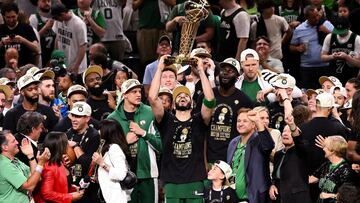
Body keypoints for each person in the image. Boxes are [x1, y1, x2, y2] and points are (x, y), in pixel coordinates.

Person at [148, 55, 215, 202]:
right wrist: (160, 68)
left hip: (195, 181)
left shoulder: (199, 120)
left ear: (192, 103)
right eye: (178, 96)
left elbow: (210, 100)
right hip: (172, 182)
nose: (183, 97)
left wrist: (201, 71)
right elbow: (153, 98)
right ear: (172, 104)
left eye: (186, 95)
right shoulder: (166, 120)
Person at [108, 79, 161, 203]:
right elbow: (106, 151)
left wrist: (143, 133)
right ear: (124, 94)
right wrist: (124, 142)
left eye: (139, 91)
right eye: (133, 92)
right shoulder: (112, 119)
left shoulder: (150, 113)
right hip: (123, 176)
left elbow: (161, 145)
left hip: (147, 174)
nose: (138, 94)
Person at [196, 56, 253, 163]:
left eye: (230, 71)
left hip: (232, 157)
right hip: (207, 157)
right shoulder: (207, 95)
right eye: (223, 70)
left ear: (237, 76)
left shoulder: (245, 101)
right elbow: (198, 128)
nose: (225, 73)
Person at [227, 108, 274, 202]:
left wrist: (258, 121)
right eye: (239, 121)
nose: (240, 124)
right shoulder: (233, 142)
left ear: (253, 124)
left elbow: (268, 146)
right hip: (234, 198)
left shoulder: (259, 140)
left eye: (245, 121)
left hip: (254, 198)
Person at [269, 114, 312, 203]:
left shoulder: (301, 151)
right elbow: (275, 176)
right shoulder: (278, 154)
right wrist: (272, 185)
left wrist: (293, 126)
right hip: (279, 198)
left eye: (289, 132)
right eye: (284, 131)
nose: (285, 133)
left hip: (297, 199)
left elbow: (299, 141)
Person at [3, 74, 58, 141]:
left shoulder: (48, 110)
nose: (34, 92)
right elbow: (8, 140)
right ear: (22, 92)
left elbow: (55, 136)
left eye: (36, 88)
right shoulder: (12, 114)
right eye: (30, 89)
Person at [290, 5, 334, 88]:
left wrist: (327, 31)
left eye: (317, 15)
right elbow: (291, 47)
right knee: (308, 93)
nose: (317, 18)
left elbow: (339, 38)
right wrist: (297, 48)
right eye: (313, 17)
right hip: (306, 67)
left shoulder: (326, 24)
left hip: (324, 66)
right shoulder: (299, 29)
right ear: (307, 17)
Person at [0, 130, 50, 203]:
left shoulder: (15, 160)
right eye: (13, 141)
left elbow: (36, 178)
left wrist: (30, 156)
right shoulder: (4, 165)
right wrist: (40, 164)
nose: (17, 142)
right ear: (5, 147)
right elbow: (30, 186)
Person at [34, 132, 84, 203]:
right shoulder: (49, 167)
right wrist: (70, 197)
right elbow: (47, 194)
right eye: (66, 143)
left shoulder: (60, 161)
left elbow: (60, 183)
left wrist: (71, 188)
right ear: (60, 146)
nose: (68, 145)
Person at [65, 101, 101, 203]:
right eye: (73, 115)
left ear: (87, 118)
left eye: (79, 116)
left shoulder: (94, 136)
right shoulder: (68, 133)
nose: (74, 120)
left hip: (88, 186)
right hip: (71, 184)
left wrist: (76, 146)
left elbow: (89, 164)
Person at [92, 119, 132, 203]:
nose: (98, 132)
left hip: (117, 198)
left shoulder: (114, 148)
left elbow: (121, 174)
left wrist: (102, 163)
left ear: (107, 132)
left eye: (100, 129)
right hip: (108, 196)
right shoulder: (106, 148)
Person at [309, 136, 352, 203]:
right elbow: (312, 179)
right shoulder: (326, 165)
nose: (323, 149)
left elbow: (348, 195)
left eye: (325, 147)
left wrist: (331, 195)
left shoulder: (345, 170)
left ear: (332, 151)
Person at [321, 16, 360, 84]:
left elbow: (358, 64)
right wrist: (332, 56)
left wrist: (346, 57)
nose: (340, 33)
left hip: (350, 77)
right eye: (338, 31)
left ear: (349, 27)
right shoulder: (330, 37)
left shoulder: (356, 39)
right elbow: (322, 57)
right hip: (333, 76)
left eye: (342, 31)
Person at [51, 2, 87, 75]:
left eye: (56, 18)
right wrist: (56, 56)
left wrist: (76, 65)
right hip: (63, 63)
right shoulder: (59, 21)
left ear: (62, 14)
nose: (56, 20)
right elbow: (57, 38)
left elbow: (83, 46)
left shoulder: (78, 24)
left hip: (77, 66)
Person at [0, 2, 40, 68]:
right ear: (4, 16)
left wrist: (23, 40)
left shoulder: (26, 28)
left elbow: (36, 49)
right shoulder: (1, 29)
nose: (11, 20)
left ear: (17, 15)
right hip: (4, 69)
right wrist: (2, 42)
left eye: (13, 17)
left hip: (24, 67)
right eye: (8, 17)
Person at [29, 0, 56, 66]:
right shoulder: (33, 18)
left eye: (48, 1)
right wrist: (45, 28)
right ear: (37, 3)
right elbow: (32, 39)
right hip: (41, 54)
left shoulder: (56, 17)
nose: (47, 3)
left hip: (53, 54)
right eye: (43, 1)